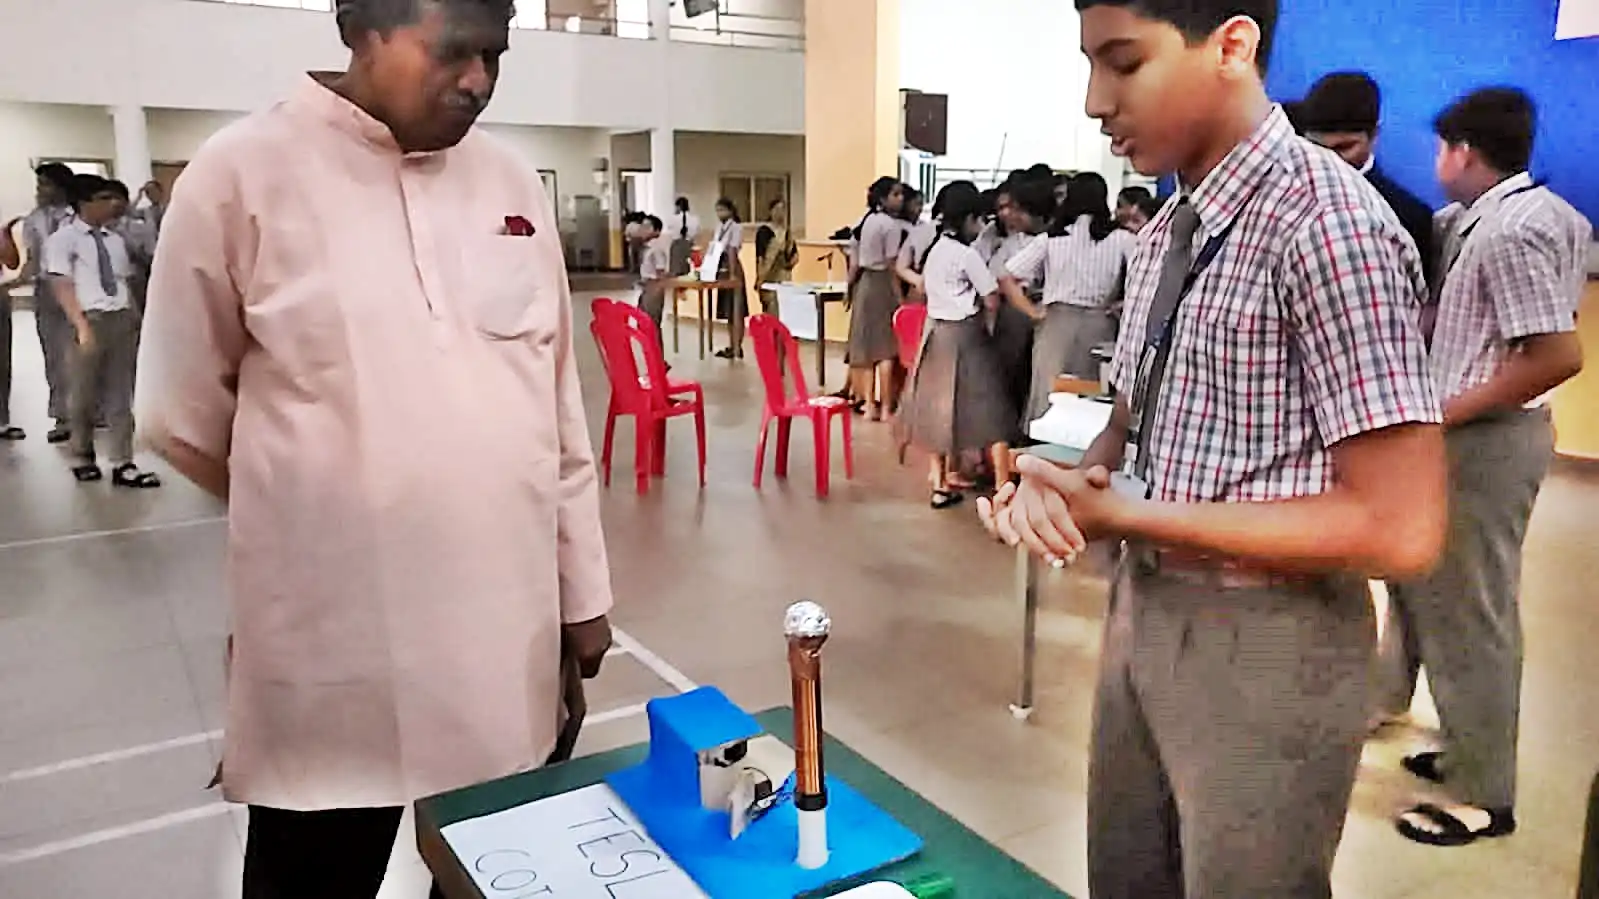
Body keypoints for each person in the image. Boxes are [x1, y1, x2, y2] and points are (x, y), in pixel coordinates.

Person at [135, 1, 616, 895]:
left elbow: (556, 408)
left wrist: (580, 593)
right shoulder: (241, 175)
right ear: (363, 30)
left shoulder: (512, 186)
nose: (477, 80)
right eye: (453, 52)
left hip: (501, 631)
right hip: (331, 642)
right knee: (314, 867)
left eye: (494, 56)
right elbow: (177, 412)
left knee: (495, 867)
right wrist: (329, 506)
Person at [980, 0, 1447, 895]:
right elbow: (1134, 430)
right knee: (1128, 870)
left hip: (1269, 637)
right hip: (1146, 606)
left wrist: (1129, 511)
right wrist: (1064, 480)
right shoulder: (1166, 234)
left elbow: (1400, 526)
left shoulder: (1327, 226)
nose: (1092, 101)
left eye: (1123, 63)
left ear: (1232, 45)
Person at [1384, 87, 1588, 848]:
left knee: (1473, 614)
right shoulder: (1533, 217)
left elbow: (1554, 353)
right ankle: (1463, 743)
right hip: (1478, 434)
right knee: (1429, 593)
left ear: (1462, 150)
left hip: (1486, 441)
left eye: (1440, 149)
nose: (1436, 164)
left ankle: (1483, 794)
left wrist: (1443, 411)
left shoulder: (1507, 231)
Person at [895, 189, 1016, 510]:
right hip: (966, 334)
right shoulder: (967, 255)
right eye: (980, 219)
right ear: (968, 219)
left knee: (940, 408)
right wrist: (990, 325)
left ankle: (939, 482)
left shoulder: (936, 250)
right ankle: (1003, 483)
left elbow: (925, 289)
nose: (982, 225)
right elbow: (991, 296)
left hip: (935, 334)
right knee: (992, 408)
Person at [43, 175, 160, 488]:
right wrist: (81, 325)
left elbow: (123, 280)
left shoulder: (115, 239)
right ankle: (82, 454)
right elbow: (61, 283)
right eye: (104, 198)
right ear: (85, 202)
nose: (113, 204)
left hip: (120, 318)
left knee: (121, 394)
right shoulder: (63, 239)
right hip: (87, 320)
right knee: (83, 393)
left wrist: (133, 317)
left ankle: (123, 462)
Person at [1002, 171, 1138, 427]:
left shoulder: (1051, 239)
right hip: (1100, 325)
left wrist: (1033, 312)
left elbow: (1007, 276)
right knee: (1092, 398)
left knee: (1050, 397)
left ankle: (1043, 457)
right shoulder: (1122, 238)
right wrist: (1124, 304)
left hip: (1057, 324)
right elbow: (1147, 277)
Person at [1298, 71, 1435, 279]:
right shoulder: (1277, 198)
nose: (1328, 160)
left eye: (1343, 148)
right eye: (1316, 148)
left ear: (1374, 135)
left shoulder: (1410, 217)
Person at [17, 163, 78, 443]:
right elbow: (33, 258)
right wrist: (16, 282)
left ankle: (90, 412)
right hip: (46, 289)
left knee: (80, 351)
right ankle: (62, 416)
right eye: (39, 185)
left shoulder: (77, 216)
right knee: (53, 353)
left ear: (61, 186)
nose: (40, 190)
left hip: (76, 288)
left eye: (46, 184)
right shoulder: (34, 219)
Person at [845, 176, 906, 420]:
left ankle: (869, 404)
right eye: (896, 195)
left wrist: (849, 288)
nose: (900, 199)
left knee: (868, 348)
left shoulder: (864, 221)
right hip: (882, 284)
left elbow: (854, 261)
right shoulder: (890, 226)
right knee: (885, 350)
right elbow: (892, 264)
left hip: (864, 283)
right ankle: (886, 407)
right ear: (883, 198)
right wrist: (899, 296)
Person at [711, 197, 749, 359]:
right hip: (721, 267)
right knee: (728, 310)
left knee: (737, 310)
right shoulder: (719, 227)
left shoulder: (736, 227)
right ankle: (731, 344)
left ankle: (738, 346)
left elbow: (733, 249)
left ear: (730, 210)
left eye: (722, 209)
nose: (720, 213)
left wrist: (733, 274)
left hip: (732, 267)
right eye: (717, 210)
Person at [754, 198, 798, 315]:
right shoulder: (764, 231)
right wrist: (760, 278)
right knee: (771, 312)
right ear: (770, 211)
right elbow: (761, 257)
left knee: (785, 312)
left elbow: (794, 255)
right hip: (769, 277)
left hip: (783, 278)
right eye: (777, 209)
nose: (780, 213)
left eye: (783, 209)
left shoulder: (787, 232)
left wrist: (788, 262)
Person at [635, 214, 670, 343]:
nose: (643, 229)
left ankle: (658, 360)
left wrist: (656, 291)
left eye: (647, 227)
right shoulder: (647, 247)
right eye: (642, 226)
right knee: (644, 325)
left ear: (656, 231)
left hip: (653, 288)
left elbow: (661, 272)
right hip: (646, 287)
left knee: (652, 326)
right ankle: (651, 358)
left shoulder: (657, 248)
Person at [665, 195, 699, 277]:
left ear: (678, 207)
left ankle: (677, 287)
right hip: (689, 244)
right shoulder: (695, 219)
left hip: (677, 244)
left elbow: (670, 228)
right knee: (688, 269)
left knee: (676, 270)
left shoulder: (672, 218)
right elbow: (696, 232)